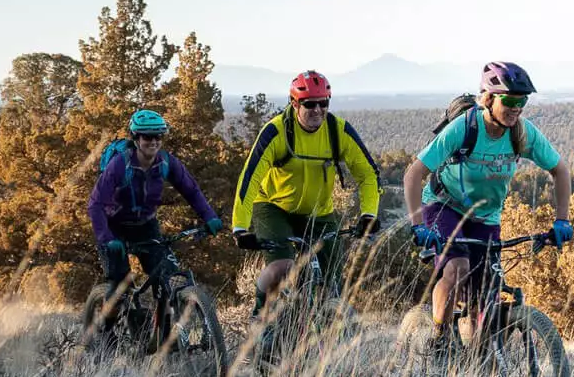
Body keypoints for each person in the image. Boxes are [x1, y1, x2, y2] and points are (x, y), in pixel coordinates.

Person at [402, 61, 573, 343]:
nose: (517, 107)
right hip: (444, 206)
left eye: (523, 100)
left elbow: (560, 170)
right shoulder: (464, 128)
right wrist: (418, 226)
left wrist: (562, 219)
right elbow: (413, 175)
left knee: (487, 296)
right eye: (510, 100)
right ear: (489, 98)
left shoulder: (522, 132)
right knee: (457, 268)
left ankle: (478, 358)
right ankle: (438, 338)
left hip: (486, 217)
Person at [231, 70, 381, 322]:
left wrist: (369, 214)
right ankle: (260, 317)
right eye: (309, 104)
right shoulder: (277, 132)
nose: (318, 110)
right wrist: (240, 227)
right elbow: (250, 178)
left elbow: (368, 174)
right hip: (273, 207)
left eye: (324, 103)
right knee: (282, 268)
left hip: (318, 212)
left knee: (332, 276)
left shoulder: (337, 131)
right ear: (294, 103)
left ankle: (316, 335)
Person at [87, 109, 225, 313]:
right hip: (113, 227)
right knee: (119, 289)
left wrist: (210, 217)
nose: (153, 141)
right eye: (147, 136)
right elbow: (95, 204)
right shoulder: (119, 165)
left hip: (145, 226)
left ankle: (163, 338)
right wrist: (107, 238)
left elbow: (191, 191)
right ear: (136, 137)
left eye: (158, 136)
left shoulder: (166, 162)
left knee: (167, 277)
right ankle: (106, 333)